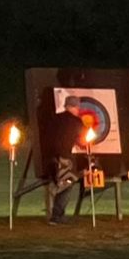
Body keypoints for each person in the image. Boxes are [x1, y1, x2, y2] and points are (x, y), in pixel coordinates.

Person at [43, 95, 85, 225]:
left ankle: (53, 214)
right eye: (78, 107)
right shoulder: (76, 121)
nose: (78, 110)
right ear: (74, 107)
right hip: (64, 157)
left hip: (49, 157)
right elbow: (82, 140)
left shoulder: (54, 118)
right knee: (67, 183)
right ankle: (57, 216)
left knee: (55, 184)